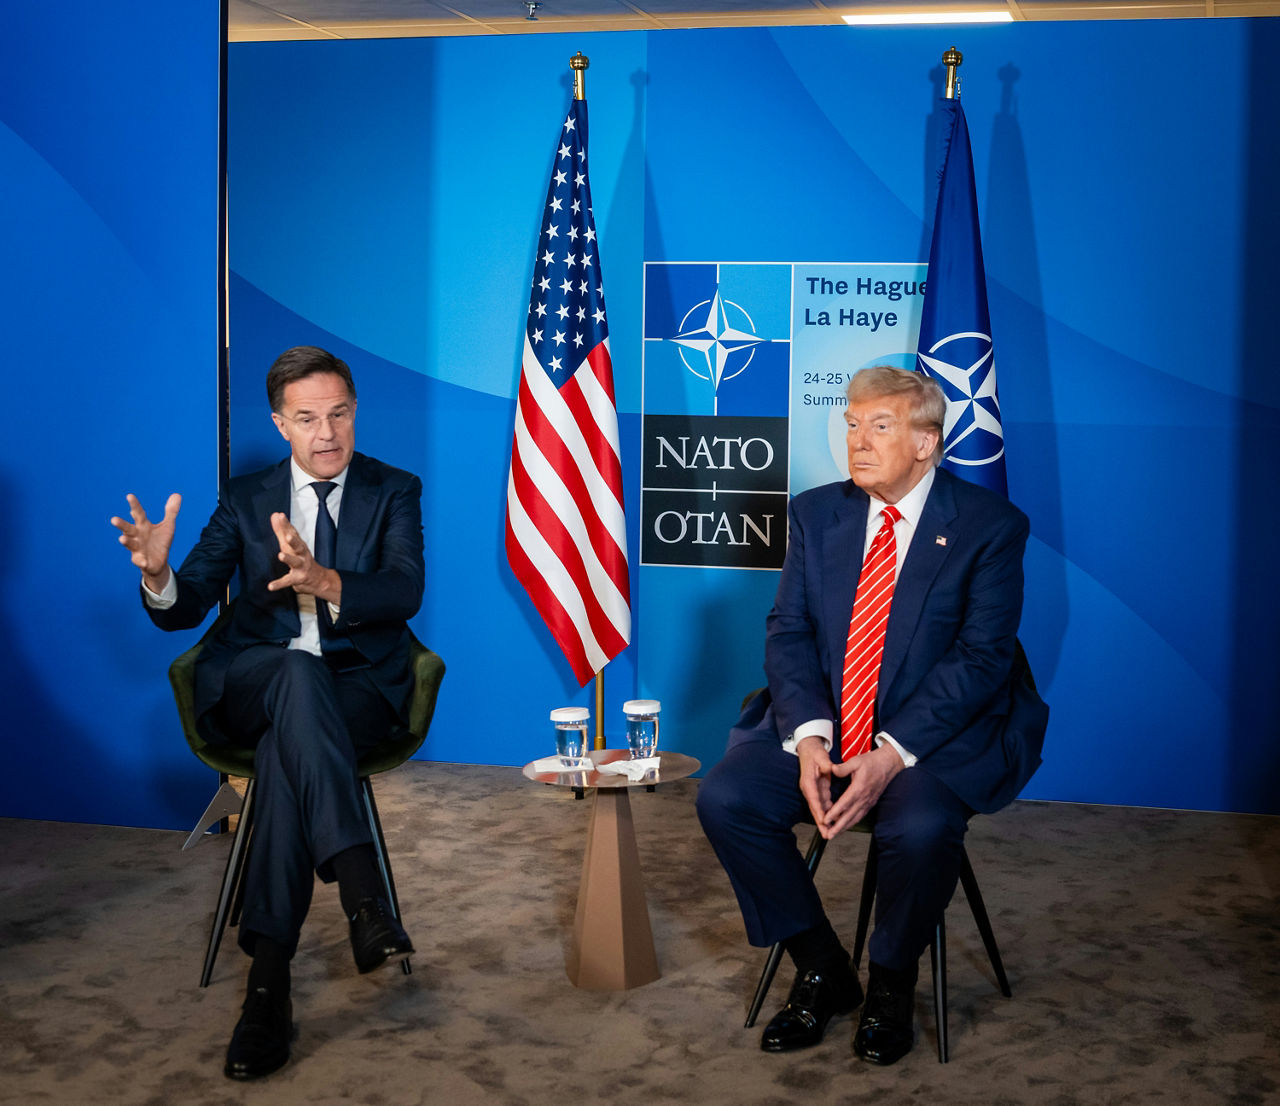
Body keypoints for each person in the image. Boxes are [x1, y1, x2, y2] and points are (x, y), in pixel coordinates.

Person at [697, 365, 1046, 1066]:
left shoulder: (990, 527)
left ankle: (891, 980)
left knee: (919, 826)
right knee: (727, 797)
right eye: (852, 424)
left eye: (879, 426)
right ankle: (823, 968)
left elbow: (982, 660)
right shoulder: (815, 512)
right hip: (828, 721)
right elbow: (788, 632)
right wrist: (809, 739)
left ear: (926, 442)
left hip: (933, 738)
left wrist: (892, 753)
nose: (857, 441)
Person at [111, 346, 424, 1080]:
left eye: (339, 413)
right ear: (281, 423)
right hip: (255, 677)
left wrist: (327, 579)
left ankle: (266, 989)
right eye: (308, 418)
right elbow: (185, 607)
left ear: (355, 412)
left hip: (355, 691)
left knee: (292, 751)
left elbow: (405, 590)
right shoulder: (247, 498)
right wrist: (160, 574)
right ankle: (362, 894)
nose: (327, 433)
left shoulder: (393, 489)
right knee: (291, 671)